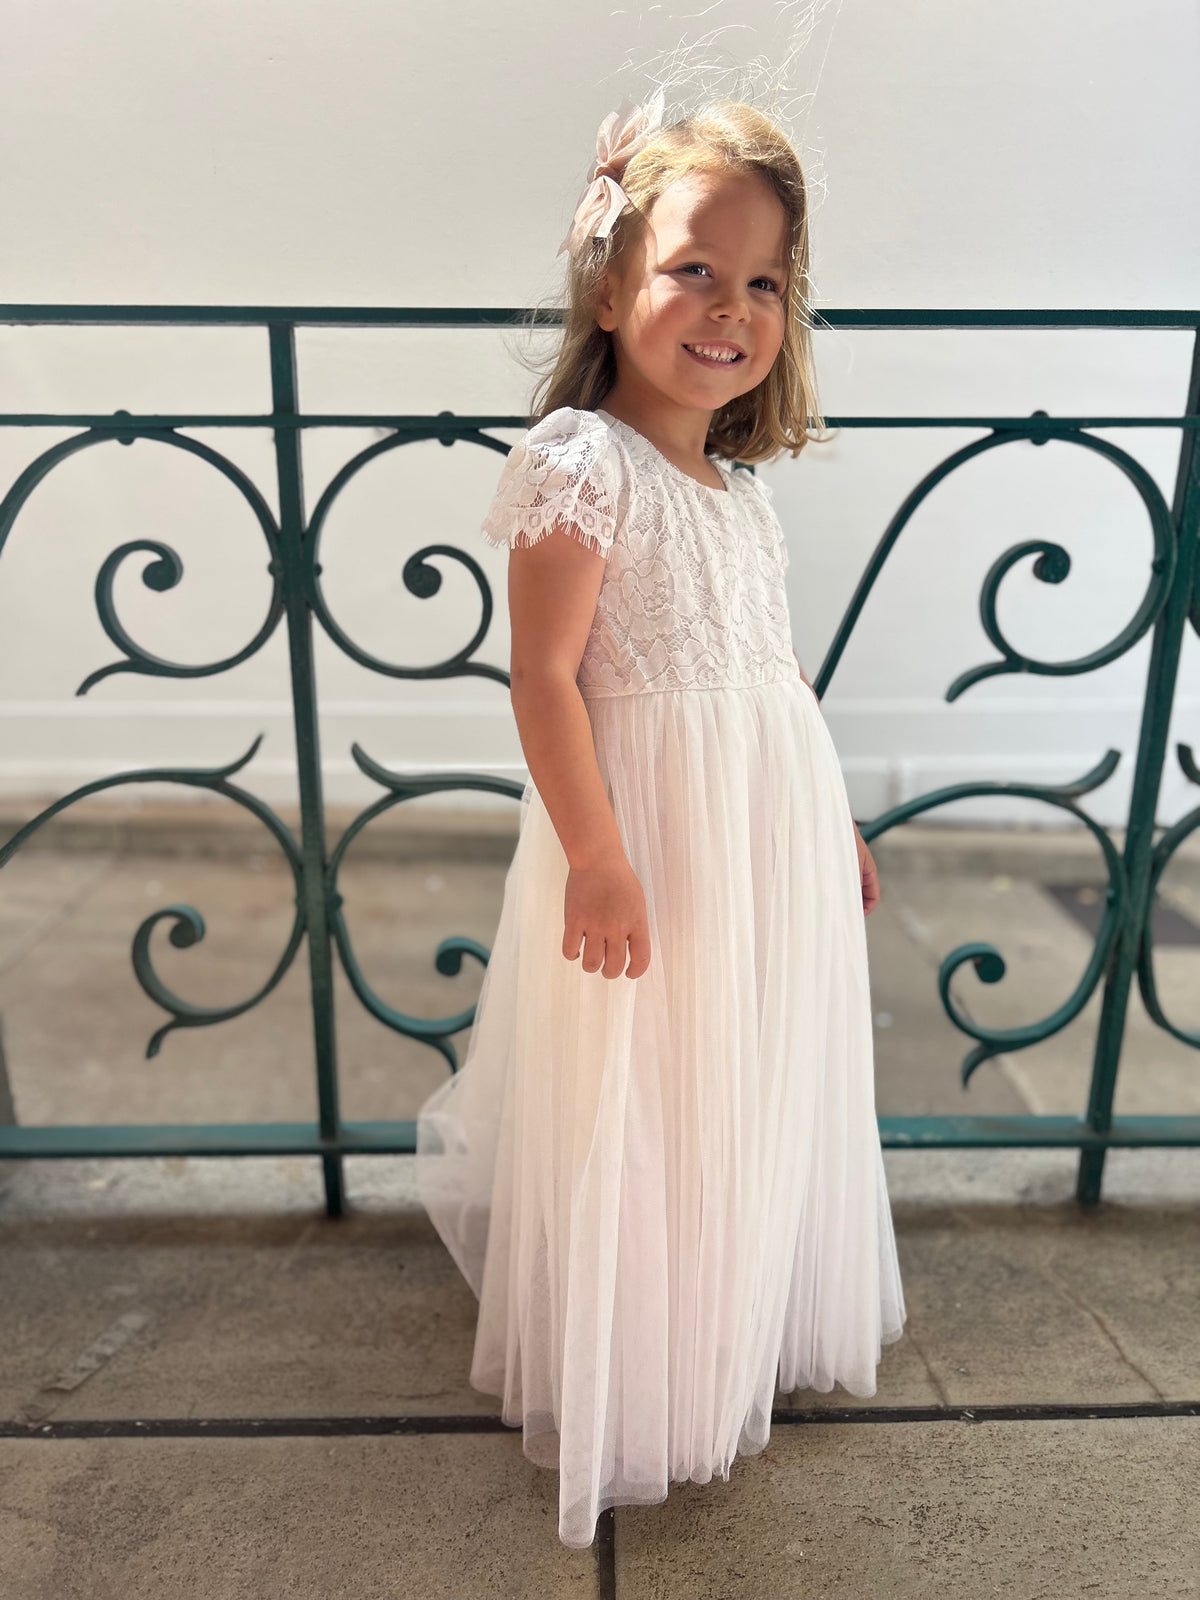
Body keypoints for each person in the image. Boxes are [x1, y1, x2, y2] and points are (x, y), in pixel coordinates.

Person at [415, 90, 907, 1551]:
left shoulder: (737, 490)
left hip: (763, 829)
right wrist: (598, 857)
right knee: (653, 1082)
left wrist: (831, 816)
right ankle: (650, 1374)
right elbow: (545, 677)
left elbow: (771, 672)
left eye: (764, 282)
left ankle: (732, 1312)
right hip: (652, 835)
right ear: (610, 280)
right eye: (695, 268)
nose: (731, 308)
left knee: (744, 1069)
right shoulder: (584, 463)